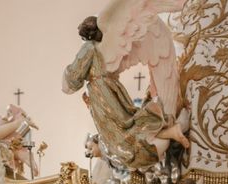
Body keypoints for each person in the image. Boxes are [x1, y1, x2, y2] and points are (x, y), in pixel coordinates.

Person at [63, 16, 189, 171]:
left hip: (101, 93)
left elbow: (73, 78)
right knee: (127, 127)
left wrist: (67, 77)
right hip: (110, 88)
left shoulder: (89, 47)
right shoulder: (103, 47)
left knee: (122, 136)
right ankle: (172, 132)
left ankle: (170, 133)